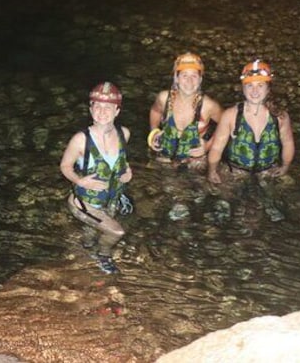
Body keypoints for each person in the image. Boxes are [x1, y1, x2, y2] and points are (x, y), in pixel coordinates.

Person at [60, 82, 132, 275]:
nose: (102, 112)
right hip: (85, 202)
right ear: (91, 109)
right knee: (116, 232)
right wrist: (80, 181)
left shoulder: (124, 134)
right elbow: (65, 166)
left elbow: (122, 161)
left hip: (111, 198)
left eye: (107, 107)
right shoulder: (80, 140)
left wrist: (127, 170)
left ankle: (85, 251)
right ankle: (103, 255)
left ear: (117, 110)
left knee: (91, 234)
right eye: (97, 106)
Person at [207, 59, 295, 183]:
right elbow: (216, 148)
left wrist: (286, 166)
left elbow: (288, 143)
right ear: (243, 88)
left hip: (268, 171)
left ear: (268, 89)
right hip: (236, 171)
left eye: (260, 85)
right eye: (250, 86)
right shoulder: (231, 115)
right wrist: (212, 171)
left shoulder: (280, 116)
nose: (255, 91)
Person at [148, 53, 222, 167]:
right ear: (176, 78)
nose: (189, 81)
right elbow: (155, 111)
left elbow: (227, 124)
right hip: (164, 157)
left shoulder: (208, 106)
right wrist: (154, 132)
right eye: (184, 75)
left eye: (194, 76)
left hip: (194, 162)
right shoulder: (164, 99)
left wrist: (208, 146)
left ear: (200, 79)